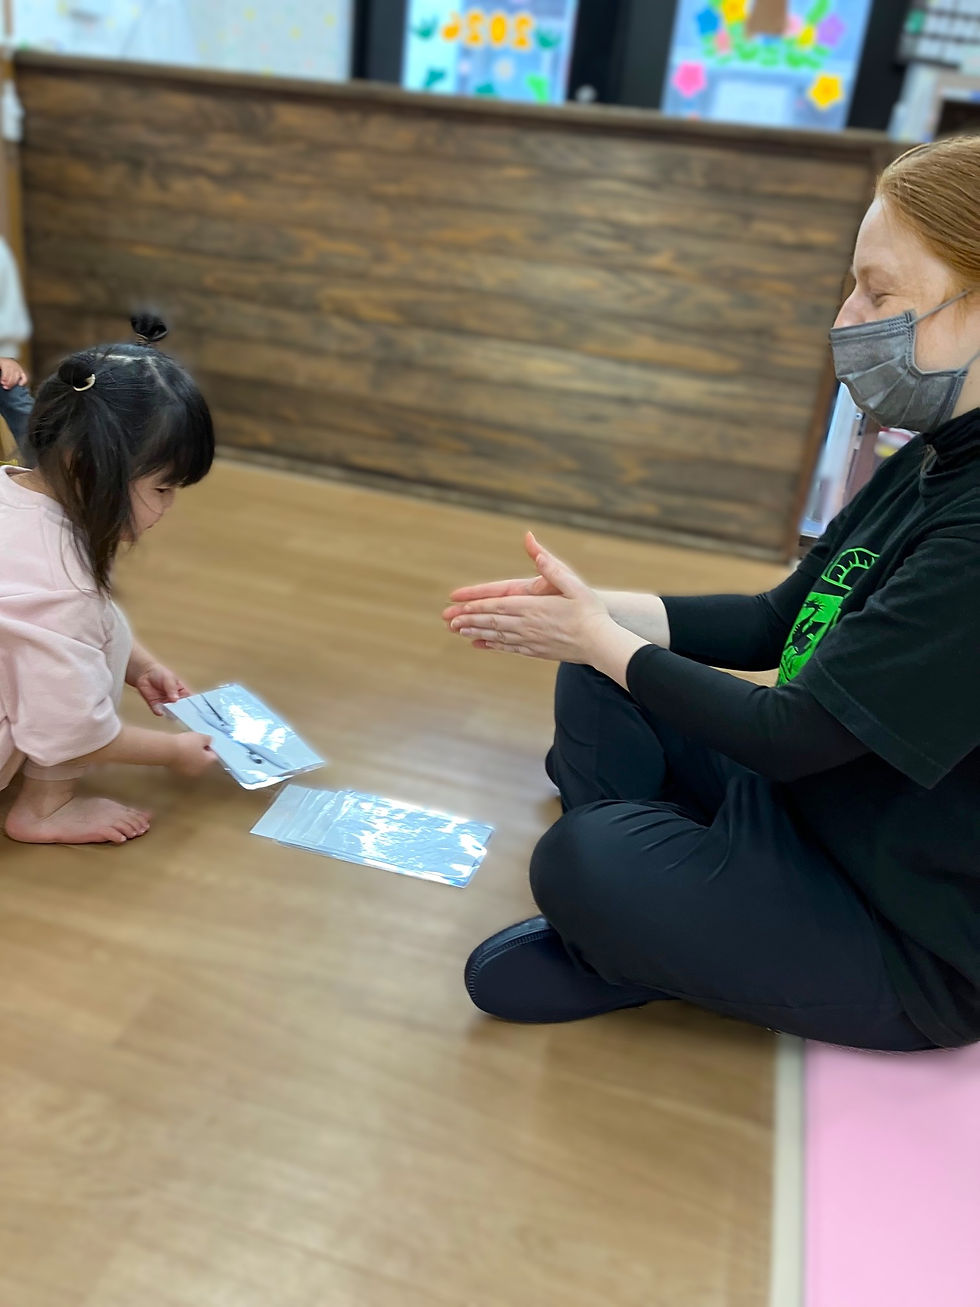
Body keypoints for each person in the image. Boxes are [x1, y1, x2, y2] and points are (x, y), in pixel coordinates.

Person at [444, 136, 980, 1053]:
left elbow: (792, 733)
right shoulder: (934, 458)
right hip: (811, 807)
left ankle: (642, 920)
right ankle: (658, 913)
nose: (848, 318)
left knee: (584, 852)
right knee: (602, 672)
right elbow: (780, 620)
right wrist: (593, 612)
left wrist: (600, 635)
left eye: (879, 294)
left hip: (902, 934)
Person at [0, 315, 218, 846]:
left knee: (90, 637)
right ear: (86, 467)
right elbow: (71, 727)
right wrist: (174, 752)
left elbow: (69, 620)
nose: (168, 506)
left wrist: (141, 665)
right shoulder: (64, 584)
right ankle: (44, 810)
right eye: (163, 488)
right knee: (81, 676)